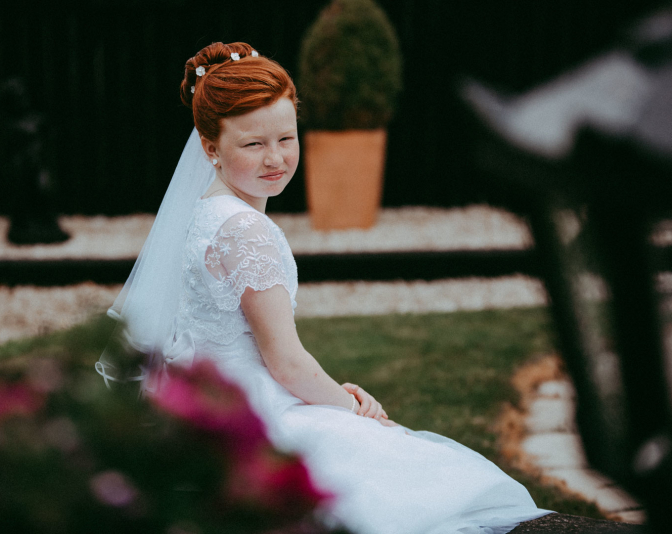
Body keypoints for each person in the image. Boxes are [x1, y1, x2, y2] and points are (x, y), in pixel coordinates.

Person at [101, 42, 552, 534]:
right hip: (256, 409)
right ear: (211, 148)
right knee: (426, 480)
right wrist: (356, 410)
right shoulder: (247, 230)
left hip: (216, 398)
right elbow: (285, 361)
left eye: (286, 138)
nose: (275, 158)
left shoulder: (206, 211)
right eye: (253, 144)